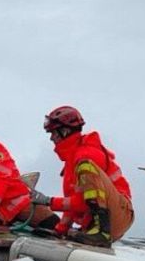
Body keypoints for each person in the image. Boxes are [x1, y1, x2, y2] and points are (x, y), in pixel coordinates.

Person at [40, 105, 134, 246]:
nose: (52, 138)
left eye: (54, 133)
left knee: (86, 165)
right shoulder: (74, 157)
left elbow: (83, 203)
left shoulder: (86, 155)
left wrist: (48, 201)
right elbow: (74, 203)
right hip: (111, 213)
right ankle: (97, 230)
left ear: (64, 131)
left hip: (118, 213)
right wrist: (60, 230)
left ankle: (101, 232)